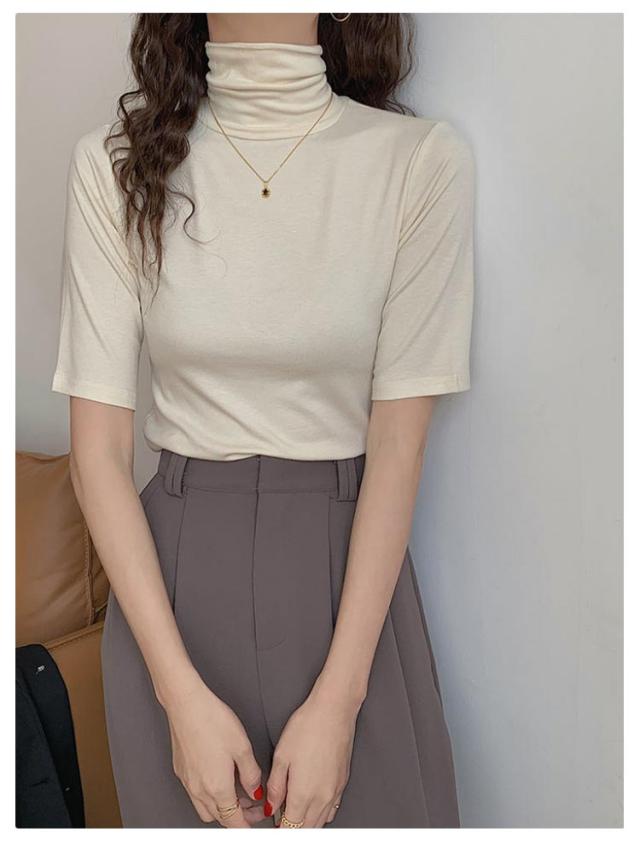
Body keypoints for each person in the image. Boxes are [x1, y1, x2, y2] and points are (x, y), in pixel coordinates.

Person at [51, 12, 474, 829]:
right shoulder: (113, 165)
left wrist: (341, 701)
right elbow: (97, 453)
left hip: (348, 583)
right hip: (171, 592)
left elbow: (398, 443)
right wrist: (177, 694)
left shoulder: (416, 161)